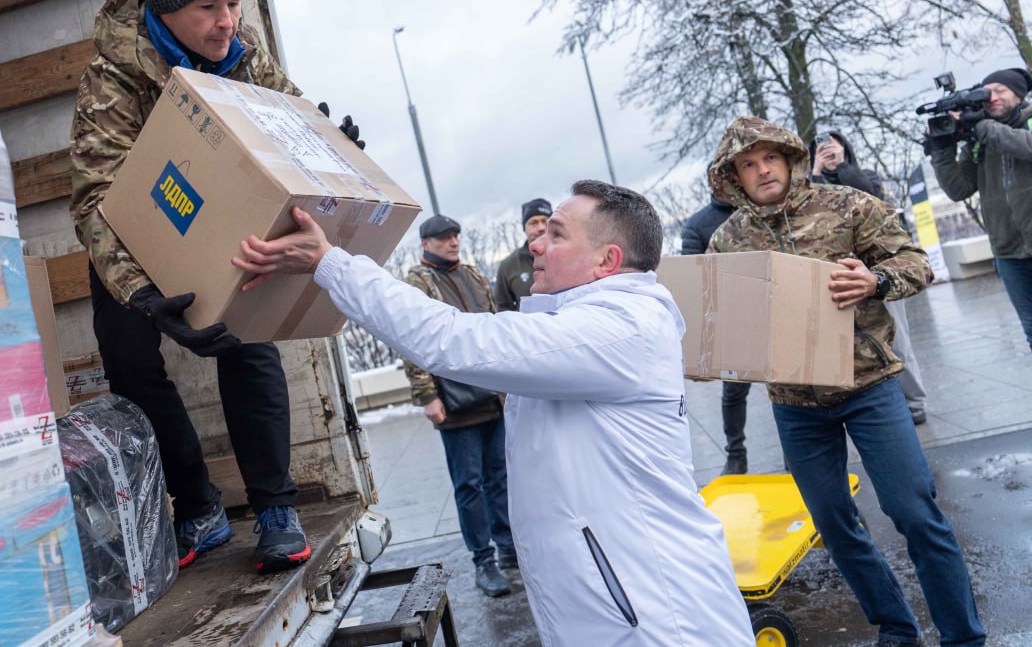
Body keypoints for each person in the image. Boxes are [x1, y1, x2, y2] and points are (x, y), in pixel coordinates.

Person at [233, 182, 754, 645]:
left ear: (606, 261)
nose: (534, 245)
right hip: (617, 601)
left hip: (656, 616)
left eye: (555, 234)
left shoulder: (620, 328)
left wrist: (333, 264)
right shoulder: (596, 321)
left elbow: (456, 341)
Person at [69, 0, 360, 574]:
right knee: (129, 356)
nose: (228, 21)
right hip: (135, 235)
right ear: (166, 8)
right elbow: (94, 198)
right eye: (210, 8)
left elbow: (295, 122)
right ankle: (196, 504)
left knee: (247, 334)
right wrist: (142, 294)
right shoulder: (113, 76)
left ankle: (274, 508)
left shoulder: (243, 56)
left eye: (234, 2)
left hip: (219, 225)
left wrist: (333, 149)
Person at [709, 117, 985, 647]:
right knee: (834, 527)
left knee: (915, 514)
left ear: (789, 158)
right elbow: (721, 316)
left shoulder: (847, 206)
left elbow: (915, 262)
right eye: (748, 164)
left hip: (869, 386)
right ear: (733, 177)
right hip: (794, 404)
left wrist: (876, 280)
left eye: (770, 157)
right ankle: (898, 629)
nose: (762, 170)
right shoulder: (728, 240)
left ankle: (963, 637)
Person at [401, 214, 515, 598]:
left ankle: (510, 548)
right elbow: (411, 340)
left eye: (455, 236)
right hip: (454, 403)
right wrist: (427, 395)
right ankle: (484, 561)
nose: (453, 242)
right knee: (469, 484)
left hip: (490, 396)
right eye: (444, 238)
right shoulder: (418, 281)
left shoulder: (472, 274)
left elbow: (496, 326)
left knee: (499, 477)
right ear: (426, 244)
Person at [809, 130, 929, 424]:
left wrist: (842, 167)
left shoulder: (867, 176)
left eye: (832, 145)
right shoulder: (811, 187)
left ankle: (914, 404)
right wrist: (815, 171)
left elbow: (871, 197)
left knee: (897, 341)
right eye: (819, 148)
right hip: (835, 281)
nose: (826, 150)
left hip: (878, 275)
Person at [929, 68, 1032, 353]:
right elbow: (959, 189)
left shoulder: (1024, 121)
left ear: (1019, 93)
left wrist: (982, 128)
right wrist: (941, 149)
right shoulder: (980, 137)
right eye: (987, 92)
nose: (992, 97)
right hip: (1009, 252)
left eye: (1000, 90)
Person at [678, 196, 748, 474]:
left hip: (774, 312)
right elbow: (692, 274)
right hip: (732, 321)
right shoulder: (698, 224)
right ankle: (736, 454)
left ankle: (795, 458)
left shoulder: (761, 211)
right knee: (733, 392)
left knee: (788, 393)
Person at [494, 198, 552, 311]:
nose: (541, 228)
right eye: (533, 223)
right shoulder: (508, 265)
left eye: (546, 221)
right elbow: (503, 308)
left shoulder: (570, 256)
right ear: (524, 228)